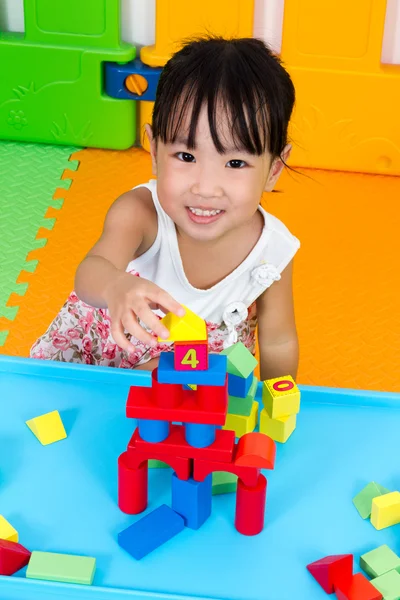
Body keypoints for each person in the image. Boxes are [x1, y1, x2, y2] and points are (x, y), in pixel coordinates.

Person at [30, 36, 300, 381]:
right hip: (107, 366)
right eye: (186, 157)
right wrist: (115, 285)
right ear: (155, 152)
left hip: (199, 377)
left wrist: (277, 397)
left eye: (235, 163)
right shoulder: (140, 213)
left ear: (273, 169)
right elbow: (91, 271)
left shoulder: (273, 250)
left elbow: (279, 341)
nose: (205, 188)